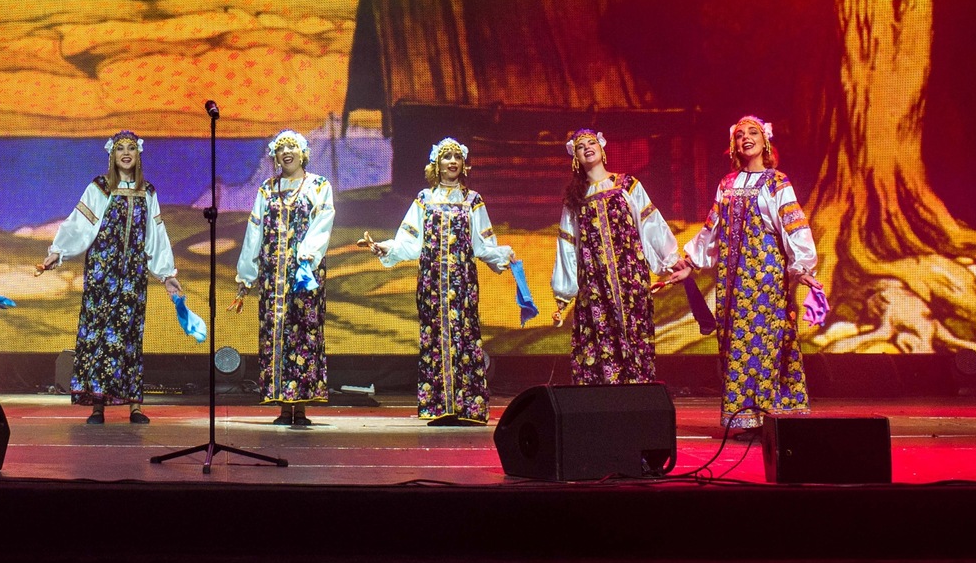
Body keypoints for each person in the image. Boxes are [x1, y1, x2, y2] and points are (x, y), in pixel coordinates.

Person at [678, 115, 822, 431]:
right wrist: (690, 261)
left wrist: (802, 266)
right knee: (736, 346)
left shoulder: (776, 181)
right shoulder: (727, 184)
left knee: (766, 342)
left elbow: (793, 224)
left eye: (752, 132)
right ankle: (745, 418)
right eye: (740, 134)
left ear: (764, 140)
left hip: (766, 276)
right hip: (732, 280)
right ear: (734, 145)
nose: (746, 137)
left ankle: (770, 418)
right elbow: (712, 229)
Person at [358, 138, 516, 424]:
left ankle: (467, 408)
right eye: (446, 157)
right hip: (432, 283)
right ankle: (439, 405)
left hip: (462, 283)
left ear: (464, 164)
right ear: (437, 164)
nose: (452, 161)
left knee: (464, 337)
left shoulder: (472, 200)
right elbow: (409, 242)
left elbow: (483, 244)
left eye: (457, 157)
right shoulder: (425, 199)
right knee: (434, 337)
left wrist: (502, 256)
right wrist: (385, 248)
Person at [36, 130, 185, 424]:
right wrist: (58, 252)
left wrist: (166, 274)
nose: (126, 153)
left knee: (129, 335)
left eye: (131, 148)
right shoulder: (100, 188)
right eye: (120, 149)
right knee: (100, 334)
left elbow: (156, 236)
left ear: (138, 154)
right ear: (112, 155)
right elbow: (79, 224)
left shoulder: (147, 191)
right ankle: (98, 406)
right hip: (102, 274)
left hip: (133, 276)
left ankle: (134, 406)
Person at [549, 129, 685, 386]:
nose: (587, 148)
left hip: (629, 276)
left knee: (635, 332)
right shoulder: (574, 199)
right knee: (600, 337)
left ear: (602, 148)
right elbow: (567, 243)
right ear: (575, 157)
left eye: (592, 142)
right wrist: (564, 290)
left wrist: (670, 257)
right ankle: (605, 397)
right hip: (595, 282)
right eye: (581, 146)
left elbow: (650, 223)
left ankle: (638, 392)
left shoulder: (626, 185)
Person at [232, 130, 334, 427]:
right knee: (275, 334)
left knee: (304, 334)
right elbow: (254, 231)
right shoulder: (267, 189)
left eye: (292, 147)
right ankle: (282, 404)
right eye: (280, 148)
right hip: (272, 276)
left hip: (305, 273)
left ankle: (300, 406)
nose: (286, 152)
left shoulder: (318, 185)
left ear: (303, 153)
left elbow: (323, 222)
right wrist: (246, 276)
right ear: (275, 156)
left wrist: (307, 256)